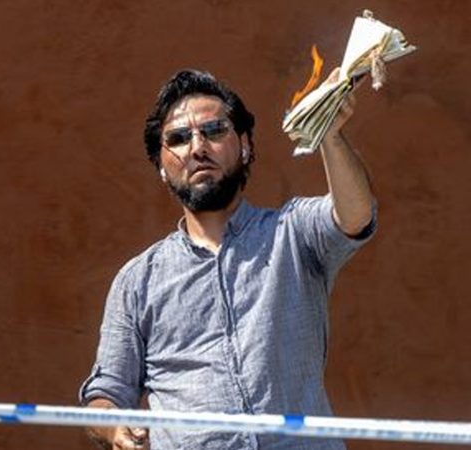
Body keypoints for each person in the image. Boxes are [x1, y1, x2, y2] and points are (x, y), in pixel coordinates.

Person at [79, 68, 377, 450]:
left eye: (214, 130)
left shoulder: (292, 233)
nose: (197, 147)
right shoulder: (137, 281)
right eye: (178, 138)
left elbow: (355, 215)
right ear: (162, 168)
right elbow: (106, 392)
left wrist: (330, 136)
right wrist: (114, 428)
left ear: (245, 145)